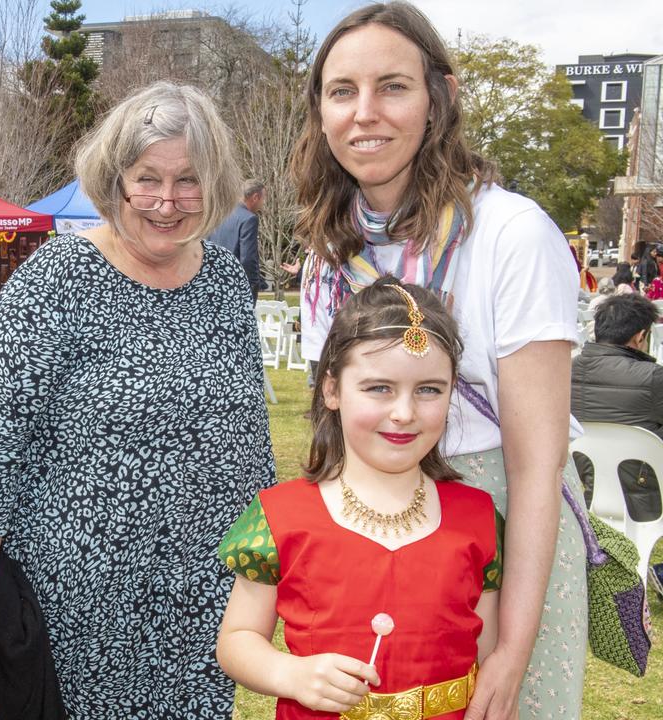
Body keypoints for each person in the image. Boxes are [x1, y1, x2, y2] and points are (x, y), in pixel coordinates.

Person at [290, 4, 586, 717]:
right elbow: (336, 435)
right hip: (377, 524)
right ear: (321, 112)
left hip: (509, 527)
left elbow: (535, 465)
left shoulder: (512, 234)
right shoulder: (326, 260)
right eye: (342, 91)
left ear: (439, 98)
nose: (366, 113)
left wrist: (512, 648)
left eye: (392, 86)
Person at [0, 81, 276, 716]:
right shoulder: (59, 276)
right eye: (147, 179)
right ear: (115, 181)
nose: (167, 201)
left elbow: (249, 438)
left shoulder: (222, 279)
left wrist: (266, 563)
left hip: (203, 592)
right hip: (80, 598)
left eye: (188, 180)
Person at [217, 278, 501, 719]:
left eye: (429, 389)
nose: (404, 412)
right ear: (332, 389)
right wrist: (290, 674)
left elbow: (488, 651)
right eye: (379, 388)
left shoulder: (480, 518)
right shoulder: (279, 517)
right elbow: (237, 641)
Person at [571, 293, 663, 518]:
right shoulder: (653, 377)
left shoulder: (566, 370)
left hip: (586, 480)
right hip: (647, 489)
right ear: (640, 336)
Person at [209, 179, 265, 303]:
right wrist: (253, 284)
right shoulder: (249, 219)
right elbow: (248, 258)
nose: (263, 203)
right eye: (263, 199)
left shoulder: (218, 216)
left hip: (214, 284)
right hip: (237, 287)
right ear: (255, 197)